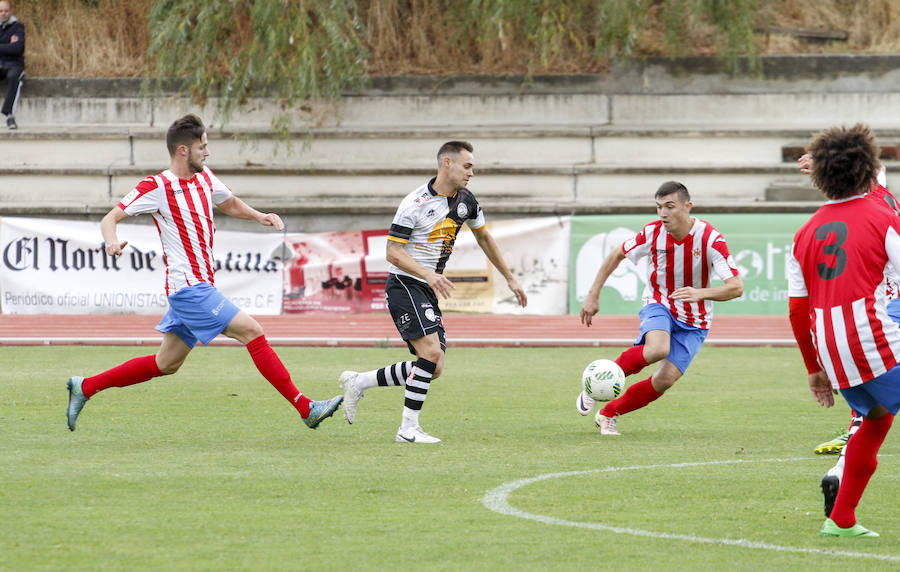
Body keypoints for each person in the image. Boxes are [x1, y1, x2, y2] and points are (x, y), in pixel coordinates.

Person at [66, 114, 343, 432]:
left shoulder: (205, 177)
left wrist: (260, 216)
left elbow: (229, 203)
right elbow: (110, 218)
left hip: (199, 285)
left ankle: (84, 387)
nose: (207, 152)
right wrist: (112, 242)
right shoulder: (157, 186)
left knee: (165, 364)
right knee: (252, 332)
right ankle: (305, 407)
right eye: (203, 146)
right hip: (188, 288)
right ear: (183, 150)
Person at [337, 141, 527, 443]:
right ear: (447, 164)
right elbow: (392, 252)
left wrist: (510, 278)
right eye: (467, 166)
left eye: (473, 167)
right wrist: (428, 274)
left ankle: (360, 381)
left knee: (433, 367)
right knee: (431, 353)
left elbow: (485, 238)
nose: (472, 173)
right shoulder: (415, 202)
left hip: (426, 286)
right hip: (404, 284)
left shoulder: (467, 201)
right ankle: (407, 430)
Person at [788, 123, 900, 538]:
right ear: (870, 169)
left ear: (820, 177)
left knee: (877, 419)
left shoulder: (803, 234)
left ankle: (841, 520)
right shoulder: (884, 216)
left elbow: (797, 310)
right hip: (873, 337)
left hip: (832, 352)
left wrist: (814, 369)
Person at [576, 181, 743, 436]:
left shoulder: (710, 239)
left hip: (695, 321)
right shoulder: (652, 233)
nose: (663, 213)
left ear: (687, 207)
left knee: (664, 380)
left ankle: (609, 414)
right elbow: (616, 254)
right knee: (658, 348)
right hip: (659, 302)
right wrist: (593, 294)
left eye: (669, 206)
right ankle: (594, 384)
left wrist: (699, 293)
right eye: (658, 207)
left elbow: (736, 287)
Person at [0, 0, 23, 130]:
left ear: (11, 11)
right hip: (1, 64)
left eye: (6, 11)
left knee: (14, 78)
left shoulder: (18, 27)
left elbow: (18, 48)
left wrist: (10, 46)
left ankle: (10, 116)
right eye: (1, 11)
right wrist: (8, 45)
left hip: (15, 64)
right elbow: (11, 47)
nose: (3, 14)